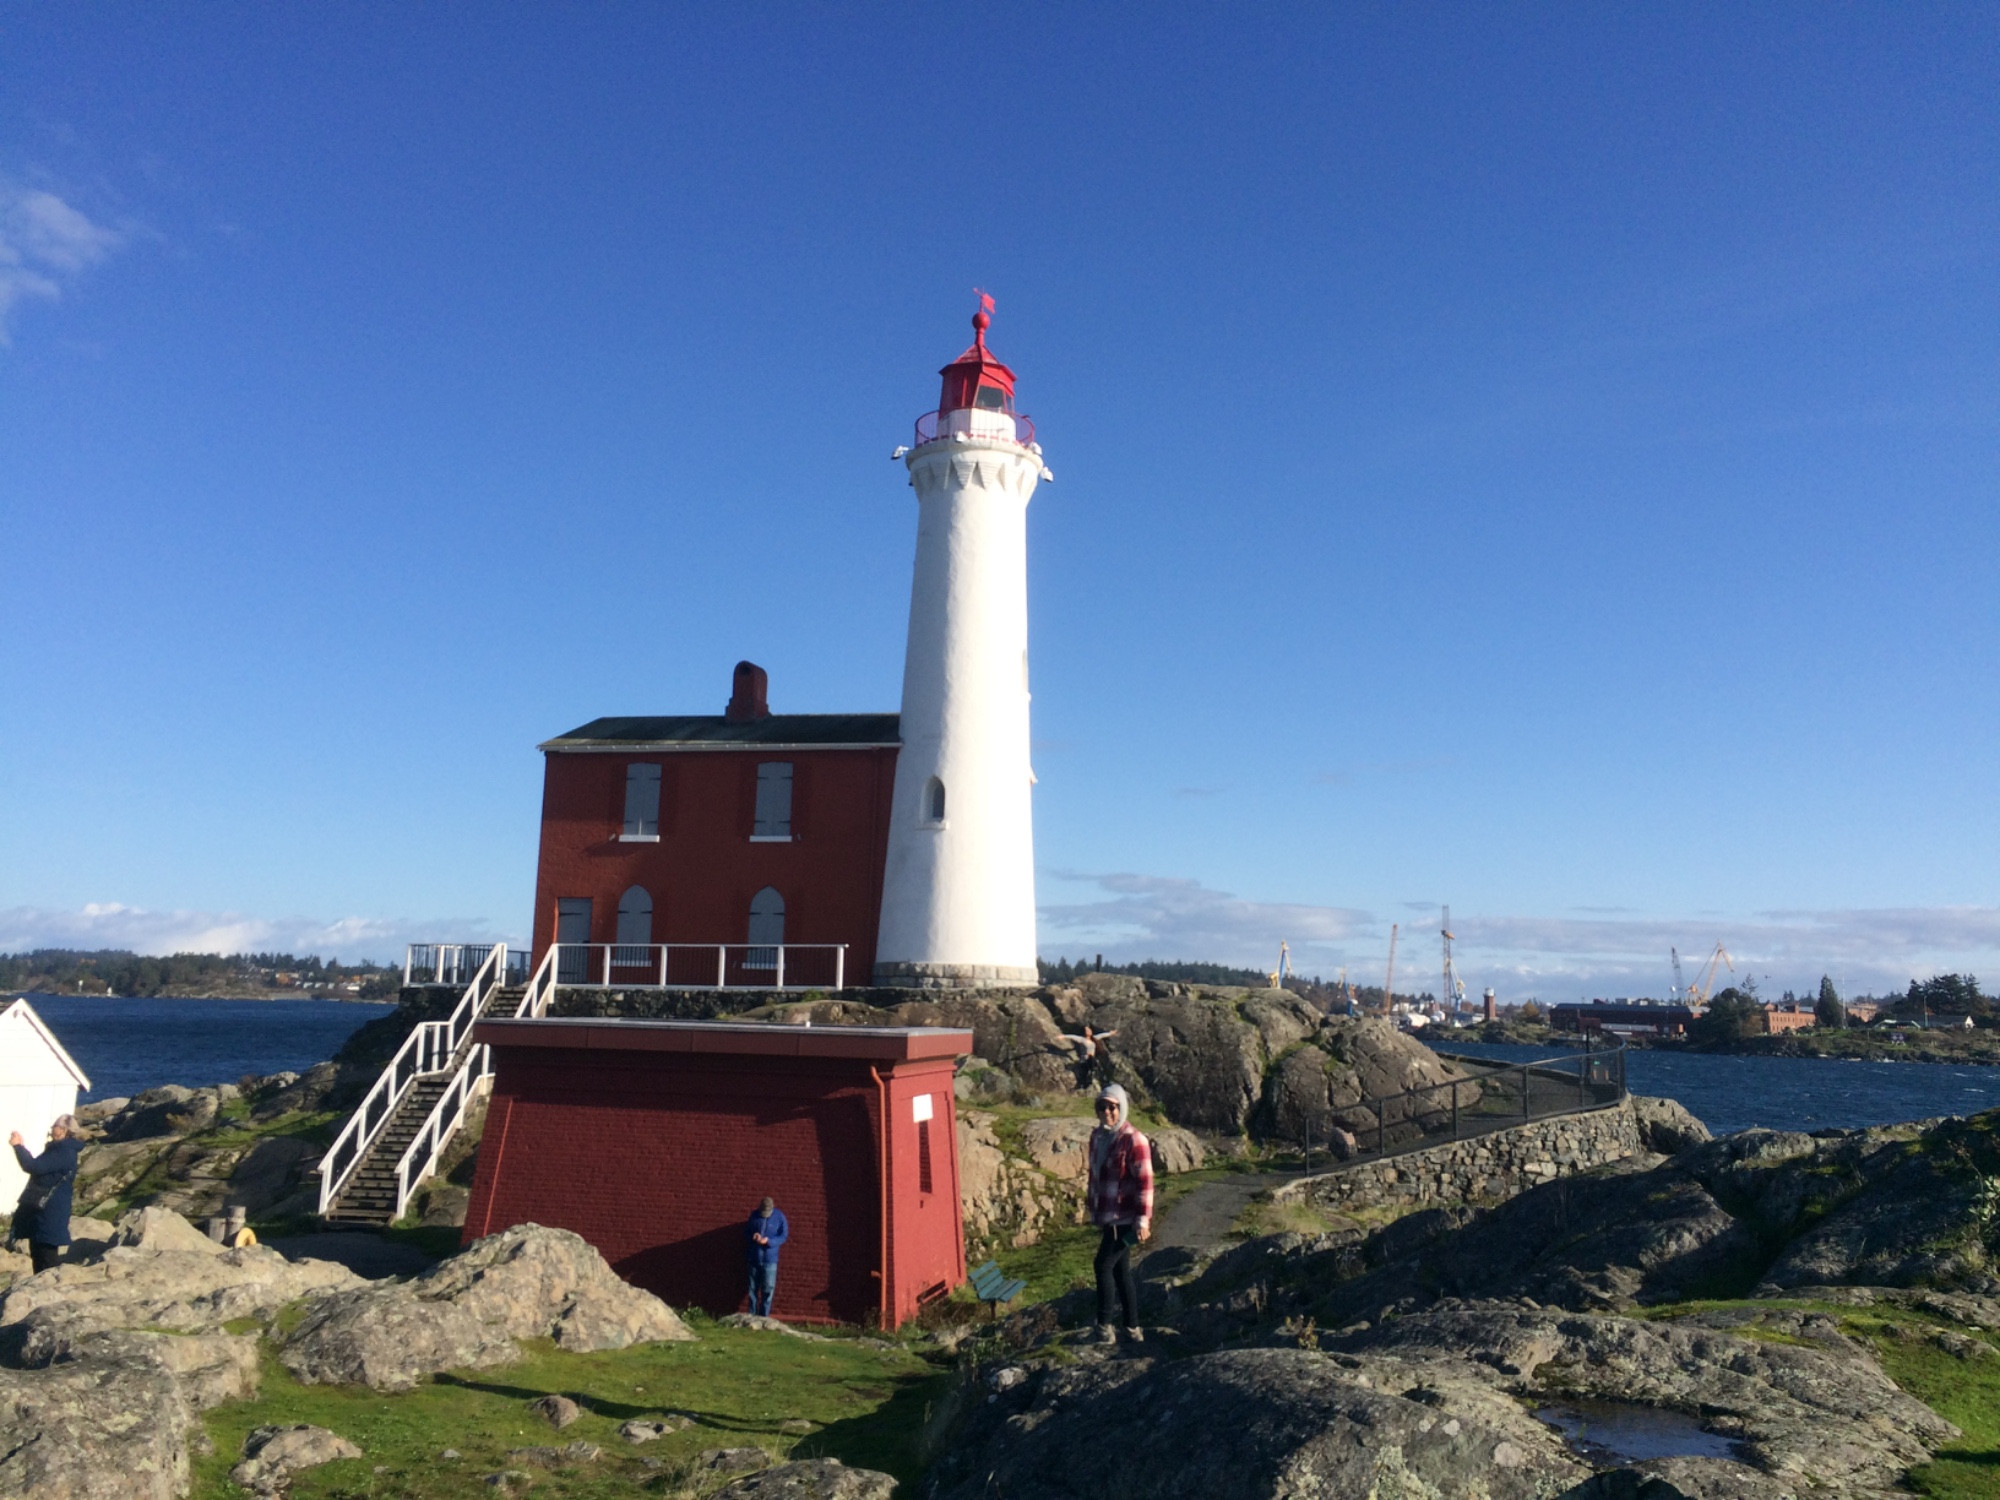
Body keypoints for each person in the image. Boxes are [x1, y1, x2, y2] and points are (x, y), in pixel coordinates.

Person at [1084, 1083, 1152, 1345]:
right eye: (1102, 1106)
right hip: (1108, 1219)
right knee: (1121, 1270)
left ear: (1121, 1108)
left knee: (1102, 1265)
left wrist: (1142, 1222)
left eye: (1112, 1107)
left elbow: (1145, 1183)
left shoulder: (1134, 1140)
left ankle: (1104, 1327)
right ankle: (1133, 1328)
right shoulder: (1098, 1137)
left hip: (1126, 1222)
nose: (1107, 1112)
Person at [10, 1115, 81, 1275]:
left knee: (47, 1254)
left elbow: (34, 1166)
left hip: (51, 1210)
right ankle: (40, 1285)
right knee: (37, 1251)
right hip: (42, 1208)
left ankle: (51, 1287)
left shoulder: (64, 1152)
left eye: (54, 1127)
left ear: (63, 1130)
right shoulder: (58, 1149)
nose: (51, 1130)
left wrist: (19, 1147)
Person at [744, 1195, 789, 1317]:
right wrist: (753, 1236)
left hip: (770, 1259)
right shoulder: (754, 1215)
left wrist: (769, 1241)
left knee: (768, 1288)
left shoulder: (779, 1217)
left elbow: (783, 1236)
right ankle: (751, 1315)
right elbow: (746, 1232)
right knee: (752, 1288)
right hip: (754, 1257)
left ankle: (764, 1316)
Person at [1060, 1023, 1120, 1091]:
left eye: (1089, 1030)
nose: (1088, 1031)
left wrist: (1111, 1033)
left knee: (1093, 1060)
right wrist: (1063, 1036)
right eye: (1086, 1030)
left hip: (1092, 1060)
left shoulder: (1094, 1038)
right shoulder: (1082, 1039)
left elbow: (1102, 1035)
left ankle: (1092, 1075)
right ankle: (1086, 1079)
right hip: (1084, 1060)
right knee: (1089, 1062)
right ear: (1084, 1032)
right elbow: (1073, 1037)